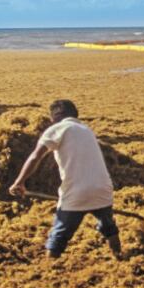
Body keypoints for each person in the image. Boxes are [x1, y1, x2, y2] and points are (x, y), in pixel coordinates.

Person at [9, 100, 122, 260]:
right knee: (108, 225)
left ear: (54, 118)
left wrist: (19, 182)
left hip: (77, 192)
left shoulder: (57, 129)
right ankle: (118, 254)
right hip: (103, 188)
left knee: (60, 233)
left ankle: (50, 265)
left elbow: (35, 157)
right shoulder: (86, 129)